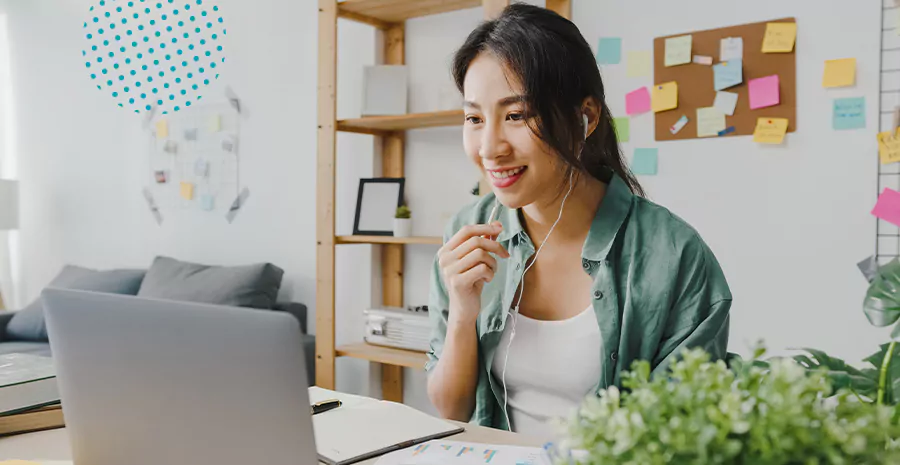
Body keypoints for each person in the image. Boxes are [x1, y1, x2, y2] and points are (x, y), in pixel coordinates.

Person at [424, 4, 732, 440]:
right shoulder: (467, 232)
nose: (489, 147)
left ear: (585, 116)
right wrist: (461, 313)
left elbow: (683, 435)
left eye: (516, 115)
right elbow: (450, 409)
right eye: (474, 118)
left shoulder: (674, 254)